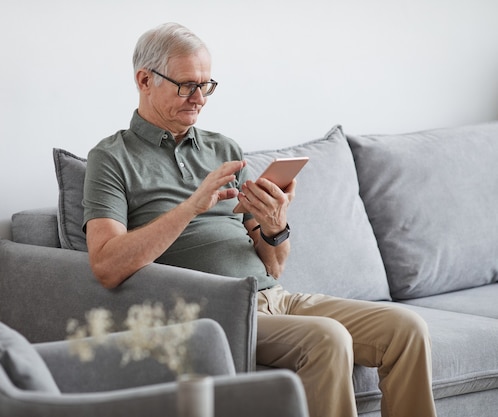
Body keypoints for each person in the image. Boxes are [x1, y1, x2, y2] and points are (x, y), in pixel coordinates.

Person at [83, 22, 436, 417]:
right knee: (328, 338)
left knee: (407, 328)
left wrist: (274, 225)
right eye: (186, 85)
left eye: (206, 85)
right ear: (144, 80)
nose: (199, 98)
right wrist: (191, 208)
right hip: (213, 312)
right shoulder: (111, 158)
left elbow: (275, 264)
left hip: (273, 298)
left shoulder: (223, 148)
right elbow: (106, 264)